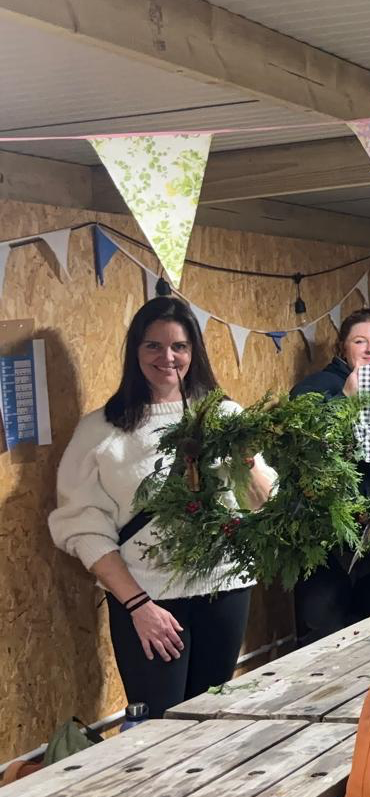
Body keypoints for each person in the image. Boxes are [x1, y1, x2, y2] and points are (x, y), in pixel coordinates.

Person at [49, 297, 277, 720]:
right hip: (146, 600)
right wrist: (138, 606)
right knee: (159, 726)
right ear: (135, 351)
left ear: (194, 352)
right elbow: (84, 528)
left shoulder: (225, 416)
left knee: (212, 719)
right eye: (153, 346)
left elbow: (259, 503)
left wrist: (246, 459)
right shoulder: (101, 430)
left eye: (180, 346)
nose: (167, 357)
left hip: (224, 591)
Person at [290, 308, 370, 645]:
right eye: (361, 341)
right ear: (344, 348)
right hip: (325, 541)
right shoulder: (313, 389)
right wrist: (346, 400)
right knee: (322, 636)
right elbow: (307, 442)